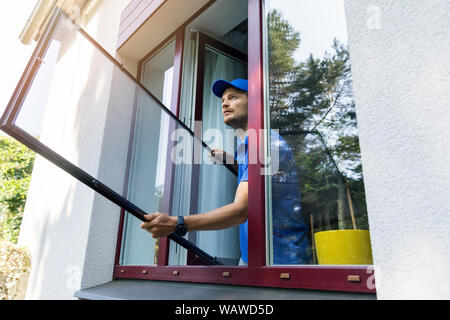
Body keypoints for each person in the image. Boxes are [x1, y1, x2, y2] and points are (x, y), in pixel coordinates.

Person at [140, 78, 312, 265]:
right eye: (223, 100)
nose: (225, 103)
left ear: (254, 103)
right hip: (253, 258)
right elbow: (258, 178)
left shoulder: (265, 143)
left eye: (233, 97)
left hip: (282, 261)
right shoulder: (247, 144)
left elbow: (241, 211)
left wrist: (178, 223)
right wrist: (232, 161)